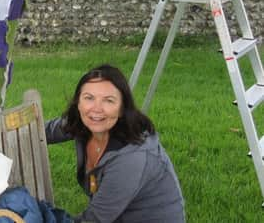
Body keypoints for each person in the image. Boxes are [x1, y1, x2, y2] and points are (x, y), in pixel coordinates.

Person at [45, 64, 185, 223]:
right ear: (78, 102)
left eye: (108, 100)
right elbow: (44, 131)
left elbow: (94, 220)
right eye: (89, 98)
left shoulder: (131, 159)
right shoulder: (82, 124)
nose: (96, 109)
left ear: (121, 109)